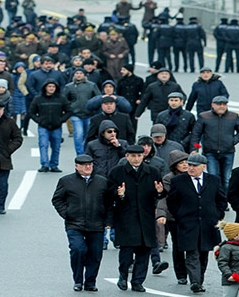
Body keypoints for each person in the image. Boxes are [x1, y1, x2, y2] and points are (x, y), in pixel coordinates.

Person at [108, 144, 166, 293]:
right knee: (126, 252)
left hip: (145, 218)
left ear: (143, 156)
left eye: (139, 156)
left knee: (144, 252)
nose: (136, 159)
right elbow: (109, 193)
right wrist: (119, 194)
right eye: (133, 156)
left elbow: (159, 193)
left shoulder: (152, 172)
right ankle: (123, 275)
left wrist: (160, 192)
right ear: (127, 157)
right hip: (126, 217)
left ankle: (138, 281)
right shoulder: (117, 172)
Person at [51, 154, 113, 292]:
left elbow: (109, 203)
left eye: (90, 164)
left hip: (96, 224)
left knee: (95, 254)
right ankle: (78, 280)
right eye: (84, 165)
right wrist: (67, 214)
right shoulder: (66, 181)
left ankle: (90, 282)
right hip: (75, 224)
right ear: (76, 166)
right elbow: (57, 199)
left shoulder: (102, 181)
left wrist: (108, 220)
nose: (88, 167)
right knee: (78, 249)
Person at [168, 153, 227, 294]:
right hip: (188, 223)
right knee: (191, 252)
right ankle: (195, 281)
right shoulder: (178, 181)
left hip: (208, 224)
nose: (191, 168)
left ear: (203, 167)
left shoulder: (213, 180)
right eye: (190, 165)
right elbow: (172, 201)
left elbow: (221, 200)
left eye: (195, 166)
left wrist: (217, 215)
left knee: (203, 253)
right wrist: (180, 215)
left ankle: (198, 280)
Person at [190, 95, 239, 192]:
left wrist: (233, 141)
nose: (221, 106)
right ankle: (214, 200)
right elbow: (196, 134)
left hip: (228, 152)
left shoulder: (233, 116)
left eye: (224, 104)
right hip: (210, 152)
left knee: (226, 179)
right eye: (219, 104)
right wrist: (195, 148)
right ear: (212, 105)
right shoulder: (204, 116)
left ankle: (223, 201)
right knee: (213, 177)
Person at [156, 150, 190, 284]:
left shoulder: (193, 175)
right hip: (174, 217)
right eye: (181, 163)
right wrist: (162, 213)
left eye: (186, 162)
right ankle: (181, 274)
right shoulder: (169, 178)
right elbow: (166, 197)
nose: (185, 165)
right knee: (178, 246)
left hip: (190, 216)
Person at [29, 80, 71, 173]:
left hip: (56, 126)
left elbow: (68, 111)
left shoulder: (61, 99)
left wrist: (61, 120)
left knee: (56, 146)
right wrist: (39, 120)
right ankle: (44, 164)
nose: (51, 88)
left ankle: (54, 165)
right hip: (43, 126)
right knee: (43, 145)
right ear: (45, 88)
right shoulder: (38, 99)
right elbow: (31, 112)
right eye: (49, 86)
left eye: (53, 86)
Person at [64, 68, 100, 155]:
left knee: (88, 135)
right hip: (75, 114)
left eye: (80, 73)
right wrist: (70, 107)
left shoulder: (91, 85)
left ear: (84, 75)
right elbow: (64, 99)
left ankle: (88, 153)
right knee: (78, 134)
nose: (79, 75)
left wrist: (94, 108)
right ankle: (80, 154)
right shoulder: (69, 86)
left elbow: (98, 97)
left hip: (89, 114)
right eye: (76, 73)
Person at [215, 221, 239, 297]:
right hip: (232, 279)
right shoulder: (226, 247)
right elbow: (222, 263)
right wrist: (229, 275)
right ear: (235, 236)